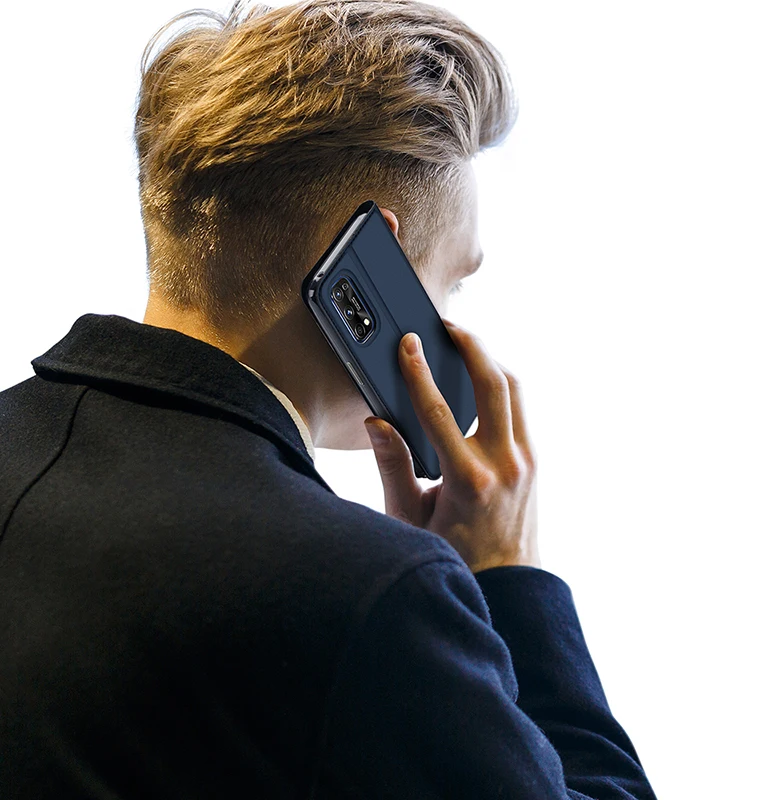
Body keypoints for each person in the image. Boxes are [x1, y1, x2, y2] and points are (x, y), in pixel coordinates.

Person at [0, 1, 658, 797]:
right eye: (453, 283)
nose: (453, 326)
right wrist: (510, 579)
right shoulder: (372, 593)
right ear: (369, 270)